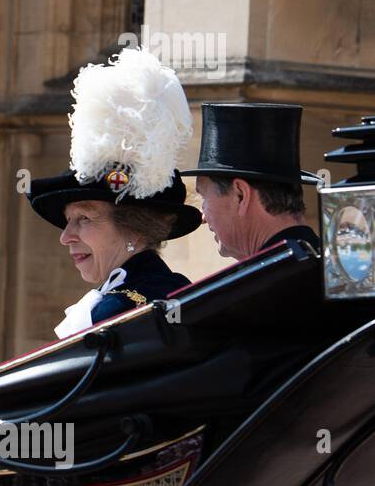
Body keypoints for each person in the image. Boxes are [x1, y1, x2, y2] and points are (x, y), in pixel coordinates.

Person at [26, 48, 202, 339]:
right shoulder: (155, 290)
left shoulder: (120, 311)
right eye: (69, 220)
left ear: (134, 228)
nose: (65, 236)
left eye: (83, 218)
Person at [181, 103, 321, 260]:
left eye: (204, 197)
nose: (203, 217)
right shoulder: (334, 265)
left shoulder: (270, 279)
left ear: (240, 195)